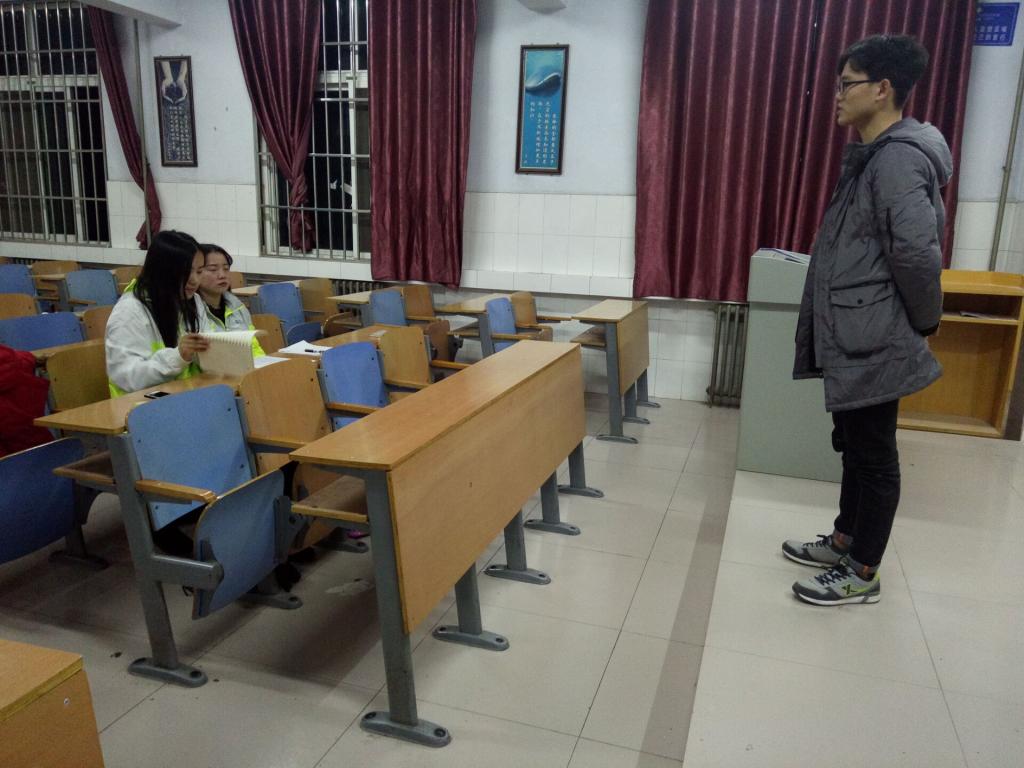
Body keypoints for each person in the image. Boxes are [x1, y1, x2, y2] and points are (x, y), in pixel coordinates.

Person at [784, 34, 950, 606]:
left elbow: (917, 254)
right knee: (854, 446)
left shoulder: (898, 159)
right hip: (858, 330)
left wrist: (924, 322)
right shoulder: (874, 155)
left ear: (882, 89)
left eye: (845, 84)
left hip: (876, 332)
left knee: (874, 455)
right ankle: (844, 540)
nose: (836, 95)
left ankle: (863, 570)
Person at [105, 230, 211, 396]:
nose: (194, 280)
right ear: (164, 271)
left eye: (199, 271)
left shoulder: (193, 301)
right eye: (186, 271)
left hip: (184, 394)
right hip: (140, 404)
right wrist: (177, 357)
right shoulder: (130, 311)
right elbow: (128, 377)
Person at [196, 243, 265, 357]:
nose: (222, 275)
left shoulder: (238, 307)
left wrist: (262, 364)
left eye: (226, 269)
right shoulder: (191, 312)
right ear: (195, 272)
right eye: (213, 269)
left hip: (246, 366)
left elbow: (253, 347)